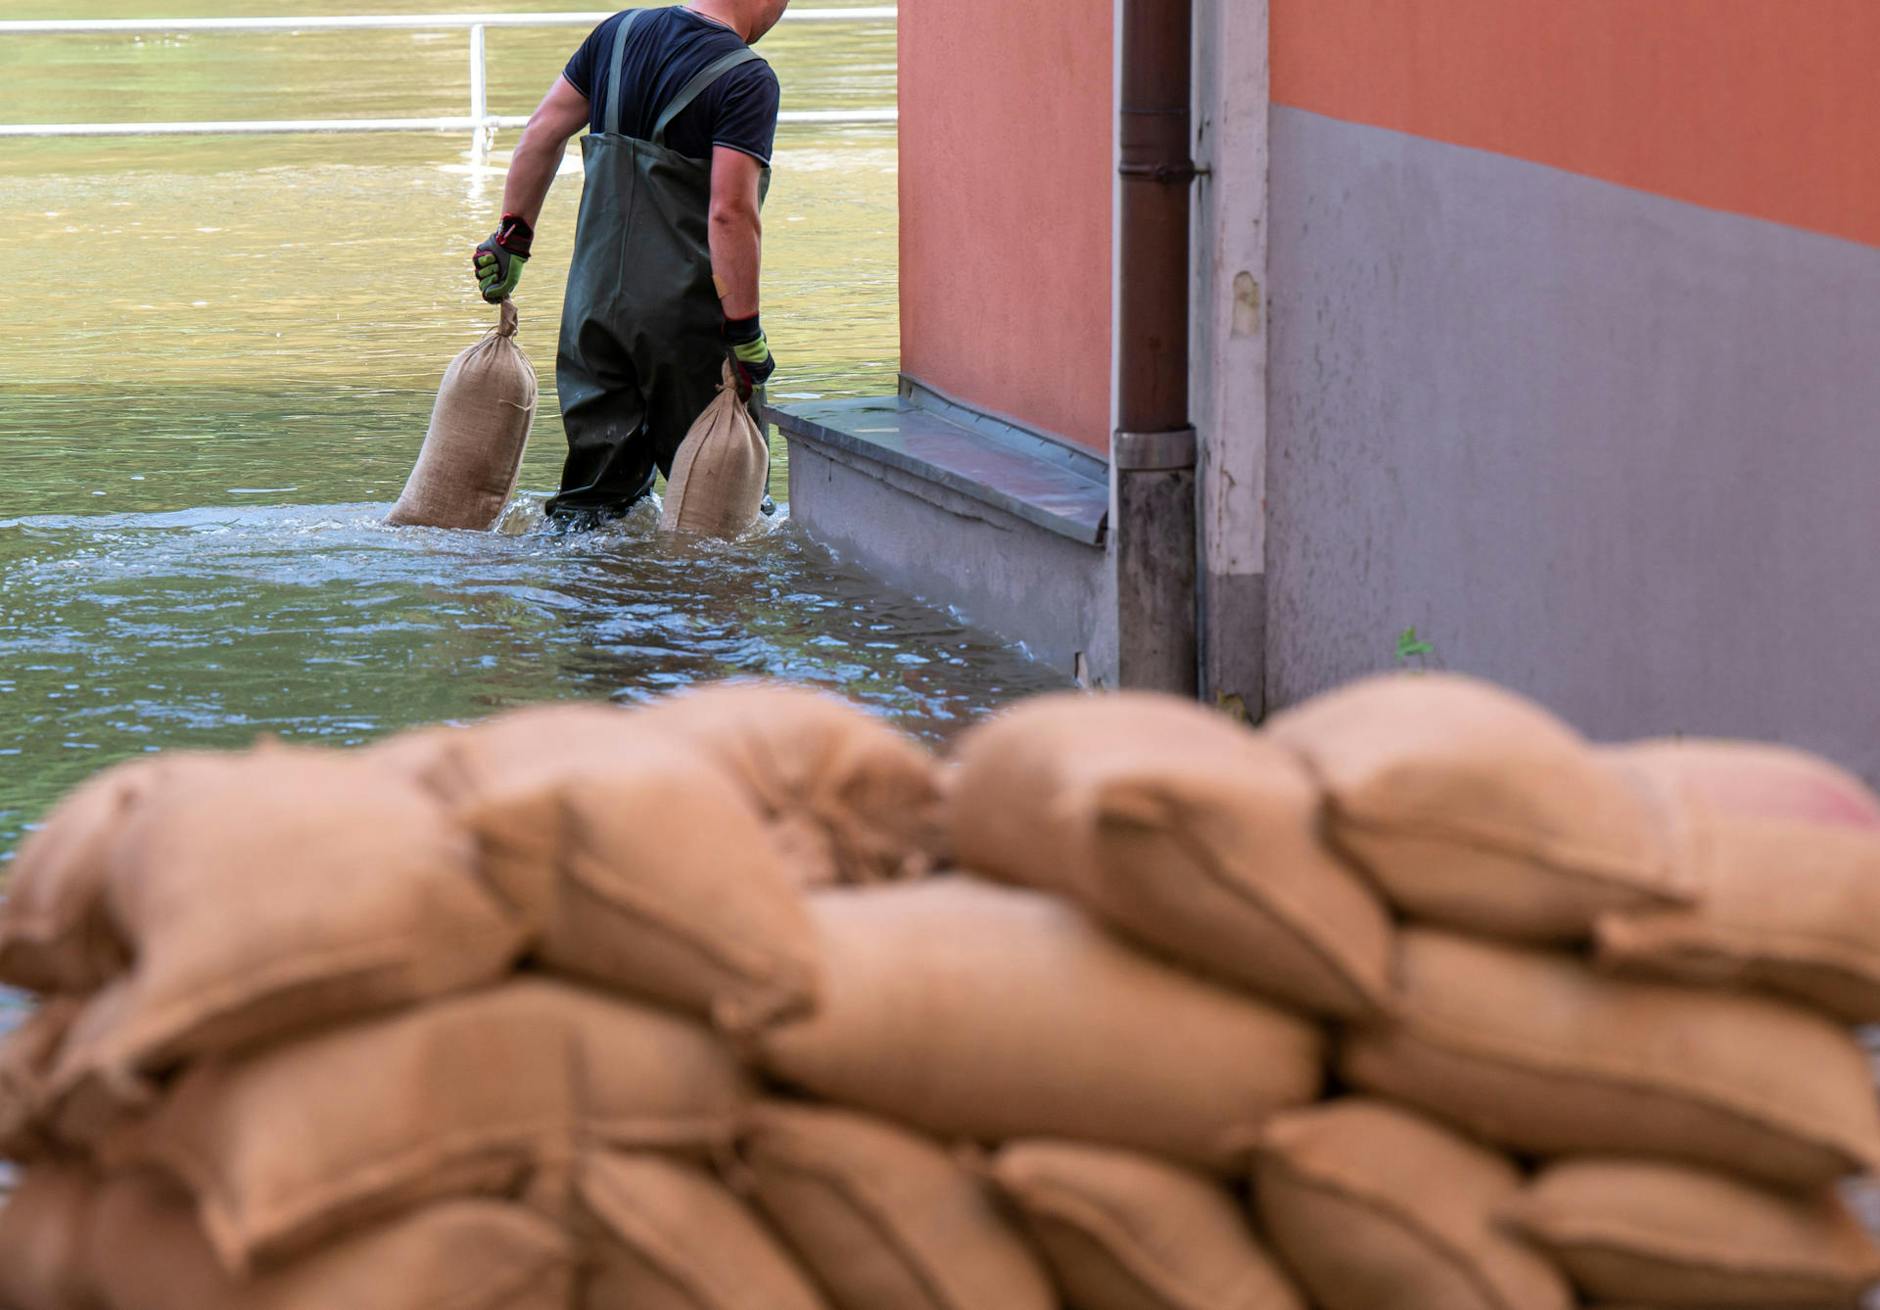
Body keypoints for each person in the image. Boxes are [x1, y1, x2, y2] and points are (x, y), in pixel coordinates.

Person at [473, 0, 788, 525]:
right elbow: (731, 213)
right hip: (684, 326)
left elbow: (542, 132)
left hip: (591, 314)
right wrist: (745, 332)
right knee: (728, 512)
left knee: (592, 510)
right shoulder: (747, 77)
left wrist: (512, 238)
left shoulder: (617, 34)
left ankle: (585, 602)